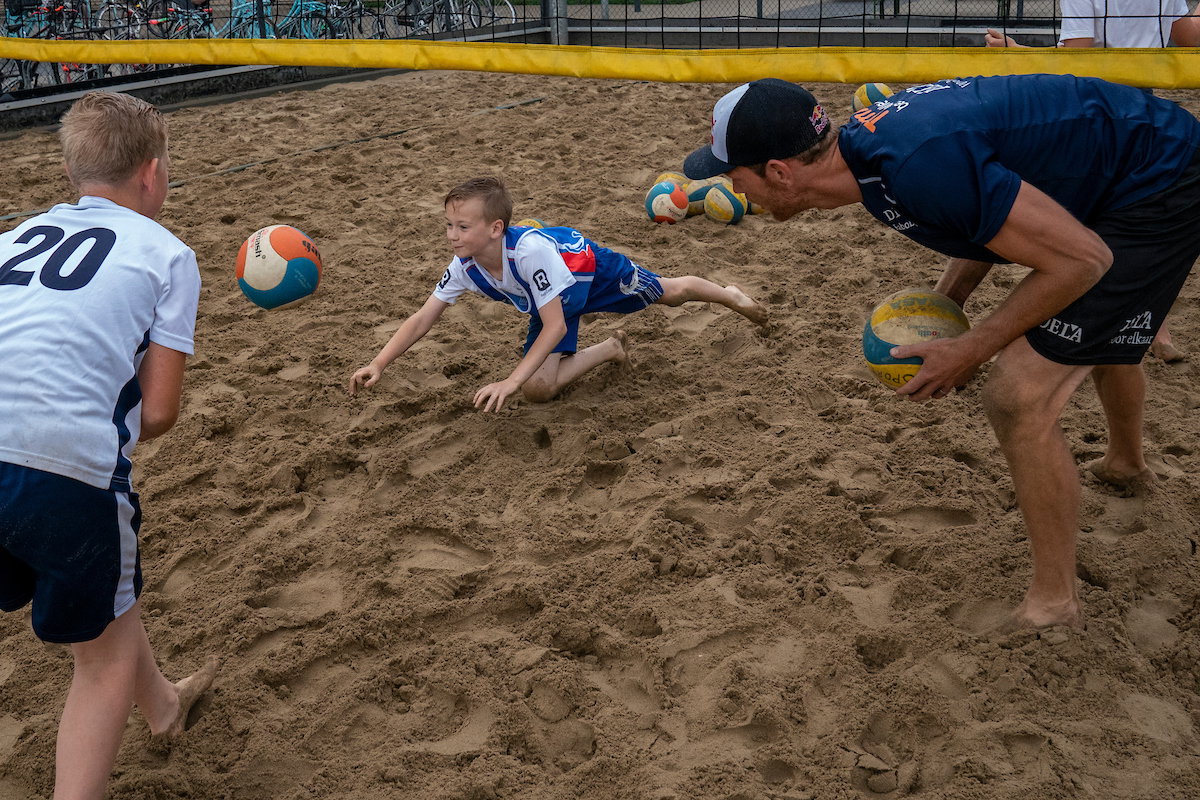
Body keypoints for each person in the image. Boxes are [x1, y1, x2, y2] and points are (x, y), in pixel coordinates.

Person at [682, 76, 1200, 630]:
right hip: (1121, 166)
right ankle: (1125, 464)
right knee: (1097, 328)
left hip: (1160, 177)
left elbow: (1083, 262)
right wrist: (948, 304)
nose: (737, 193)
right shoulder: (871, 162)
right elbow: (989, 213)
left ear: (779, 172)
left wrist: (972, 348)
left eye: (735, 177)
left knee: (1016, 397)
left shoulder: (914, 166)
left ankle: (1054, 604)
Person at [0, 91, 217, 800]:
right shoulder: (168, 253)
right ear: (152, 174)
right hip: (60, 467)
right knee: (98, 663)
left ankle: (163, 707)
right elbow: (158, 411)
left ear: (73, 171)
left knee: (111, 603)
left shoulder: (11, 238)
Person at [348, 176, 767, 410]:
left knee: (670, 293)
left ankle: (728, 295)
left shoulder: (528, 253)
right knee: (539, 390)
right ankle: (610, 349)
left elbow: (550, 327)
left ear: (496, 228)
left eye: (462, 227)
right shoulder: (464, 268)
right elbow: (423, 317)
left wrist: (509, 380)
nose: (451, 236)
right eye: (449, 225)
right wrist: (379, 363)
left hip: (590, 271)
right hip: (553, 298)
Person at [984, 1, 1200, 362]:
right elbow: (1189, 37)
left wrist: (1018, 52)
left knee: (1003, 202)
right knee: (1131, 221)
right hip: (1147, 114)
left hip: (1094, 113)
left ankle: (990, 325)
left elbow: (1079, 61)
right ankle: (1155, 330)